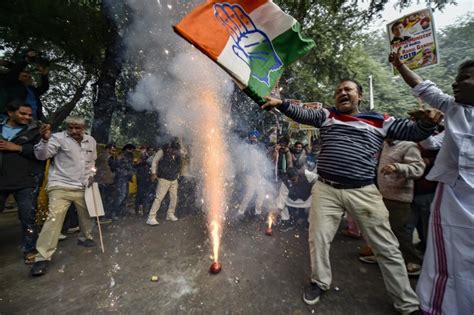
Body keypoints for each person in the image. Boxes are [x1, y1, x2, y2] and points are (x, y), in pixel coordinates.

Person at [262, 78, 443, 313]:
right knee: (318, 238)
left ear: (360, 96)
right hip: (326, 190)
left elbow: (414, 131)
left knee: (386, 246)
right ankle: (319, 281)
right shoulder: (327, 115)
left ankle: (407, 304)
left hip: (363, 191)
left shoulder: (380, 120)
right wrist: (283, 104)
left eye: (348, 89)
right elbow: (303, 114)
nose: (342, 93)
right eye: (338, 90)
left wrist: (428, 122)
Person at [390, 50, 474, 315]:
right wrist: (399, 64)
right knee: (446, 260)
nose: (455, 83)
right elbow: (423, 87)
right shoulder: (452, 109)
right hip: (452, 198)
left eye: (466, 78)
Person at [30, 116, 97, 277]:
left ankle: (85, 237)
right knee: (53, 219)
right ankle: (42, 257)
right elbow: (41, 155)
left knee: (88, 215)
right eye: (70, 127)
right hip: (60, 186)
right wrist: (45, 141)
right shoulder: (57, 138)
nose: (74, 131)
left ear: (84, 127)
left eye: (78, 128)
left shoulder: (91, 141)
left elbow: (91, 162)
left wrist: (92, 175)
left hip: (82, 186)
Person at [0, 100, 42, 264]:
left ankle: (29, 249)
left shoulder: (34, 131)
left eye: (30, 115)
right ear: (10, 113)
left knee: (27, 216)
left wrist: (17, 148)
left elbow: (41, 152)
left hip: (25, 180)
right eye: (23, 114)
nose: (27, 117)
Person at [377, 140, 426, 276]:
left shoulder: (409, 146)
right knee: (383, 229)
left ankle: (413, 260)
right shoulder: (386, 144)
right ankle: (383, 256)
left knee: (400, 231)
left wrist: (398, 167)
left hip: (399, 197)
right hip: (383, 194)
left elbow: (418, 169)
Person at [147, 140, 182, 225]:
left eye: (176, 150)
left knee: (174, 198)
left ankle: (170, 214)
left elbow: (178, 165)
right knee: (159, 198)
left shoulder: (177, 154)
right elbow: (155, 161)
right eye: (174, 149)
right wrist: (154, 173)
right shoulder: (163, 150)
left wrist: (177, 176)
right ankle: (151, 217)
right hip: (164, 178)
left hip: (174, 179)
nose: (175, 151)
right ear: (170, 148)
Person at [276, 167, 317, 232]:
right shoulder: (285, 181)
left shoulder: (306, 173)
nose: (296, 181)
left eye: (296, 178)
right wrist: (279, 209)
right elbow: (282, 196)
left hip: (307, 198)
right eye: (293, 180)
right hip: (293, 199)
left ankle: (309, 223)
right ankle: (286, 220)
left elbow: (317, 179)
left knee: (315, 204)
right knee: (281, 202)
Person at [110, 144, 135, 219]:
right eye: (132, 150)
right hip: (121, 178)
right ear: (128, 149)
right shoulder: (123, 155)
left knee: (125, 196)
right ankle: (114, 212)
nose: (133, 152)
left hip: (125, 178)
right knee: (121, 196)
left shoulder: (126, 155)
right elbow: (116, 166)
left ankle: (120, 212)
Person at [95, 143, 116, 223]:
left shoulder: (100, 155)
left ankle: (99, 217)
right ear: (108, 149)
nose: (113, 152)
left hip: (99, 180)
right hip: (106, 181)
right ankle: (103, 218)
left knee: (101, 199)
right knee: (106, 200)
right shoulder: (109, 157)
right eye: (112, 150)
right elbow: (113, 168)